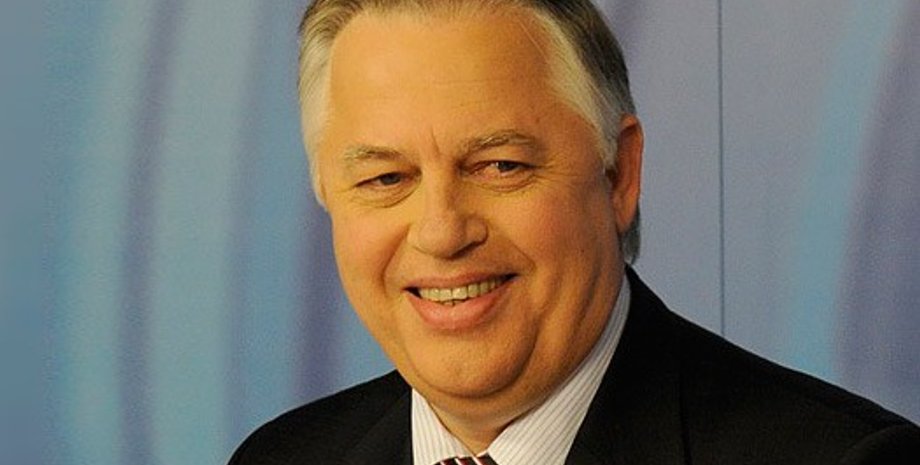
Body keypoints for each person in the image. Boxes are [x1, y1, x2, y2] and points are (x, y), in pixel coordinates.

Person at [228, 1, 920, 463]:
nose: (440, 232)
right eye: (385, 179)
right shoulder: (283, 457)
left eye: (500, 165)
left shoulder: (843, 458)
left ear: (618, 174)